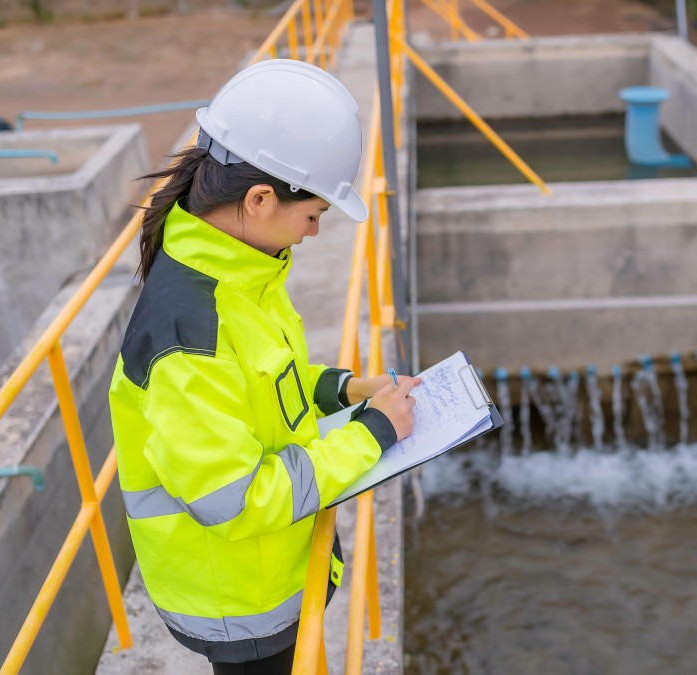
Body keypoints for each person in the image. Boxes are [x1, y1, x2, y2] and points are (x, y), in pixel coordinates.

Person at [109, 59, 418, 674]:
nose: (313, 235)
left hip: (263, 571)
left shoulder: (239, 270)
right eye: (313, 216)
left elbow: (262, 385)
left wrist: (347, 389)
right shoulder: (189, 335)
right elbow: (240, 499)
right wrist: (372, 434)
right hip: (236, 599)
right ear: (259, 198)